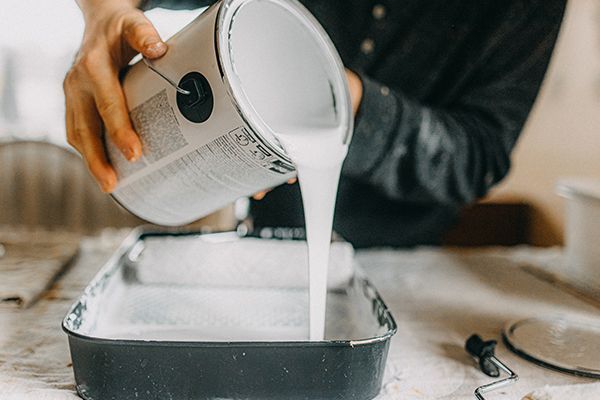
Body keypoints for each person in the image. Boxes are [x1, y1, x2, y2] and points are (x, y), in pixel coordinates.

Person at [64, 0, 566, 247]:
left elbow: (481, 155)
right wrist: (104, 13)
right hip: (262, 233)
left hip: (405, 259)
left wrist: (345, 100)